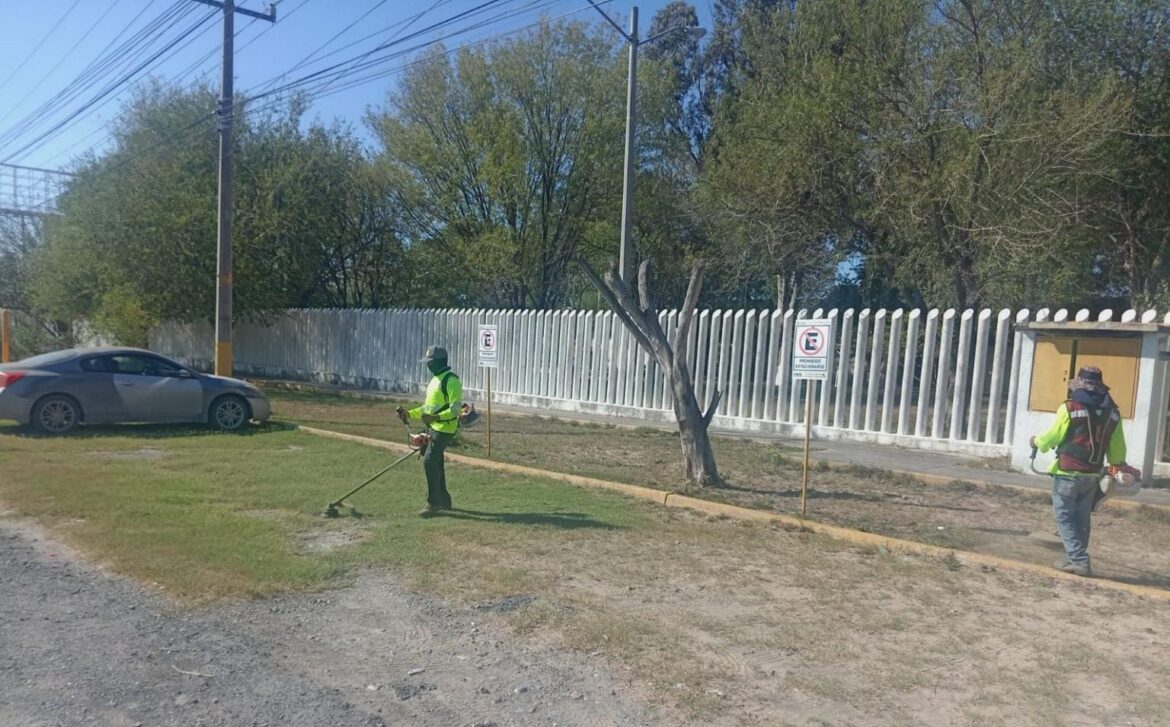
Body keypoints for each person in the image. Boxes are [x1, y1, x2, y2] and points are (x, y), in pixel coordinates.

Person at [1030, 366, 1135, 577]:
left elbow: (1053, 436)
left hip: (1067, 472)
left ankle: (1078, 560)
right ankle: (1073, 557)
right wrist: (1116, 464)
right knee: (1082, 517)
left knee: (1065, 518)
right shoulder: (1113, 414)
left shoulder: (1069, 407)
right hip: (1092, 474)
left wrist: (1036, 442)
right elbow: (1117, 450)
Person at [396, 345, 462, 517]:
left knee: (429, 461)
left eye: (430, 362)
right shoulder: (435, 380)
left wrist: (436, 418)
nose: (427, 365)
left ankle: (433, 504)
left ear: (440, 362)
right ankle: (444, 501)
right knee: (436, 462)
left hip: (445, 429)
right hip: (433, 427)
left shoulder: (451, 380)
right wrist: (409, 413)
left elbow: (455, 410)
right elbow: (428, 408)